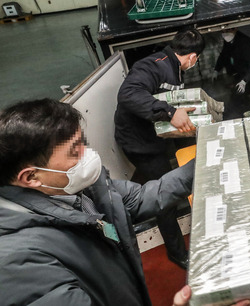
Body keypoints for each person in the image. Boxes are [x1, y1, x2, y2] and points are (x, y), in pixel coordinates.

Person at [0, 99, 194, 305]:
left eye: (83, 143)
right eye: (75, 152)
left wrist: (203, 164)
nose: (89, 155)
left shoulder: (78, 187)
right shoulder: (19, 262)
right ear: (31, 177)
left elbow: (141, 197)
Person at [114, 28, 204, 269]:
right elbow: (129, 94)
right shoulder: (153, 65)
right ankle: (177, 253)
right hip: (139, 143)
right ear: (193, 57)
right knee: (166, 196)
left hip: (153, 137)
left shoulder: (172, 64)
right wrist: (171, 112)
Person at [212, 27, 250, 95]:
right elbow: (224, 55)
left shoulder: (246, 43)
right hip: (241, 69)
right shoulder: (229, 40)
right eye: (222, 32)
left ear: (235, 29)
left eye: (227, 31)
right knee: (237, 91)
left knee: (249, 94)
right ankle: (238, 82)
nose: (225, 34)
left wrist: (244, 81)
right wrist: (216, 70)